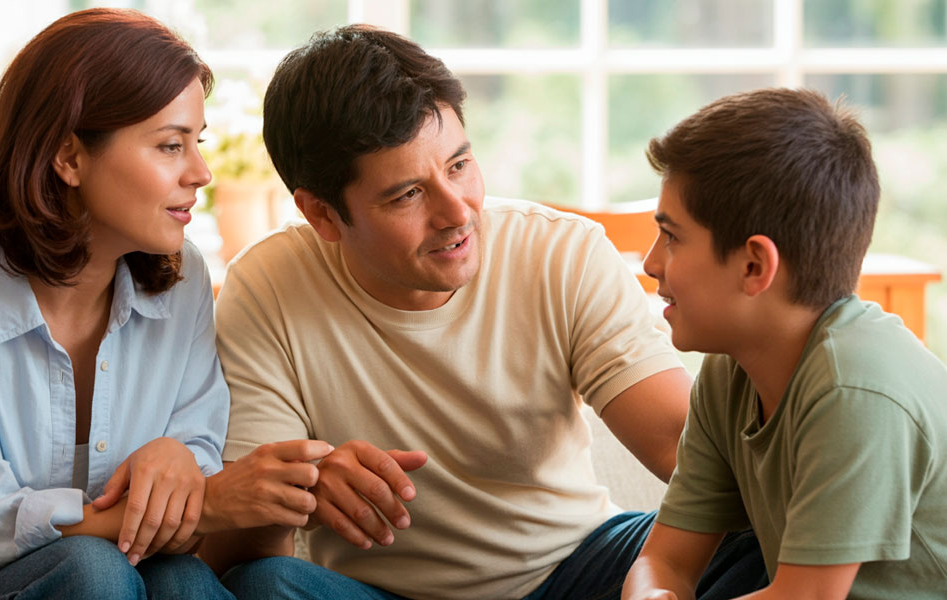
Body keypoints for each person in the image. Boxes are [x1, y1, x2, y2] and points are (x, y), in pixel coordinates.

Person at [201, 24, 767, 599]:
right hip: (379, 593)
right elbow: (242, 551)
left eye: (458, 166)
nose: (457, 213)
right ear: (322, 215)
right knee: (266, 585)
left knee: (759, 539)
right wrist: (301, 493)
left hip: (575, 568)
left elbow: (681, 446)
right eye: (407, 195)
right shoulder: (268, 286)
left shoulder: (560, 252)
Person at [0, 9, 329, 600]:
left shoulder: (183, 274)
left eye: (198, 143)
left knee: (182, 581)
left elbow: (196, 450)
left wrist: (177, 459)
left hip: (101, 574)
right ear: (68, 158)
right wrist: (207, 500)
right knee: (96, 576)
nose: (202, 172)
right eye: (170, 146)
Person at [620, 88, 947, 599]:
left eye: (671, 237)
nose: (651, 262)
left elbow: (804, 598)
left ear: (754, 266)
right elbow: (665, 559)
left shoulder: (853, 385)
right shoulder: (728, 376)